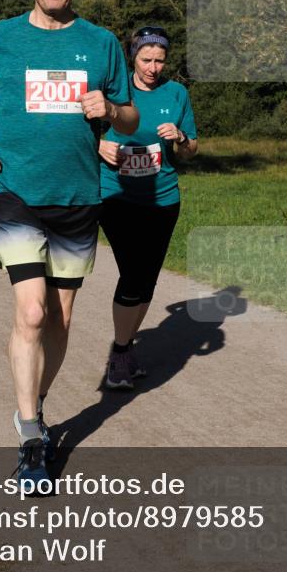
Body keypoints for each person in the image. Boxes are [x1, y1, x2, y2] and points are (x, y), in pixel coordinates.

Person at [0, 0, 139, 489]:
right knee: (33, 313)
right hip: (15, 188)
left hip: (79, 195)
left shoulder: (101, 42)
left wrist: (111, 109)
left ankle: (31, 398)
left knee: (61, 319)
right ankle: (32, 434)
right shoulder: (1, 36)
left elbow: (130, 118)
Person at [98, 25, 198, 389]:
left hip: (164, 198)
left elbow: (192, 151)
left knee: (148, 281)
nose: (154, 67)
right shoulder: (114, 89)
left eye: (160, 60)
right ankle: (121, 352)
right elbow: (78, 130)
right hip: (116, 196)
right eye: (146, 59)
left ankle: (123, 346)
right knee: (134, 273)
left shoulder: (176, 93)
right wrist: (98, 146)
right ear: (133, 57)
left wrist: (182, 138)